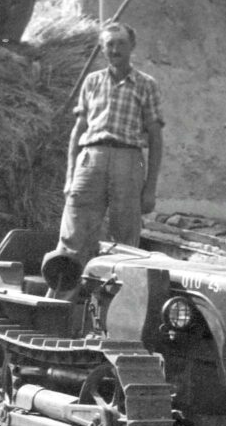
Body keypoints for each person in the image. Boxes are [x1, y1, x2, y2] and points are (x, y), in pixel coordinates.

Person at [53, 22, 164, 275]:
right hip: (91, 158)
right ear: (103, 49)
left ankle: (117, 306)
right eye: (109, 44)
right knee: (74, 232)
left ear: (132, 46)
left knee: (124, 239)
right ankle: (62, 298)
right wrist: (70, 177)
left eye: (121, 44)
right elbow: (78, 131)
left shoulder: (146, 84)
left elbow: (156, 139)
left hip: (129, 159)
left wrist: (150, 189)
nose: (115, 50)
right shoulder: (92, 82)